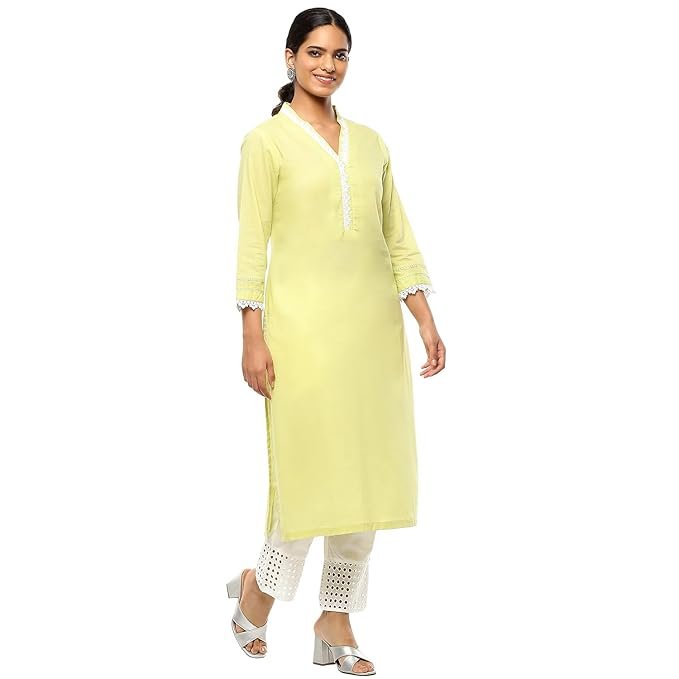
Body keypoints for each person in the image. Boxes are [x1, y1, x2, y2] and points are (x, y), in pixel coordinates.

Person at [227, 8, 446, 675]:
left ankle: (335, 618)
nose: (328, 65)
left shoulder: (372, 144)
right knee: (308, 478)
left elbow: (396, 235)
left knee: (365, 479)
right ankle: (258, 593)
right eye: (316, 52)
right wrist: (252, 334)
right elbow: (251, 244)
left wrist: (423, 317)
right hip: (300, 337)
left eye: (340, 54)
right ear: (290, 57)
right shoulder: (265, 143)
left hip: (371, 337)